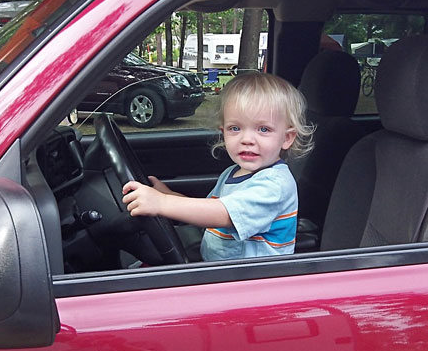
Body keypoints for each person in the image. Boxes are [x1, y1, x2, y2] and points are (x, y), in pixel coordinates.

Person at [122, 73, 314, 261]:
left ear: (287, 138)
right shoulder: (233, 172)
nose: (247, 139)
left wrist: (162, 203)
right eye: (235, 128)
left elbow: (223, 214)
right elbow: (207, 211)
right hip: (223, 274)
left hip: (253, 285)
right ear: (224, 133)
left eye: (263, 129)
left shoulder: (275, 185)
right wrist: (169, 195)